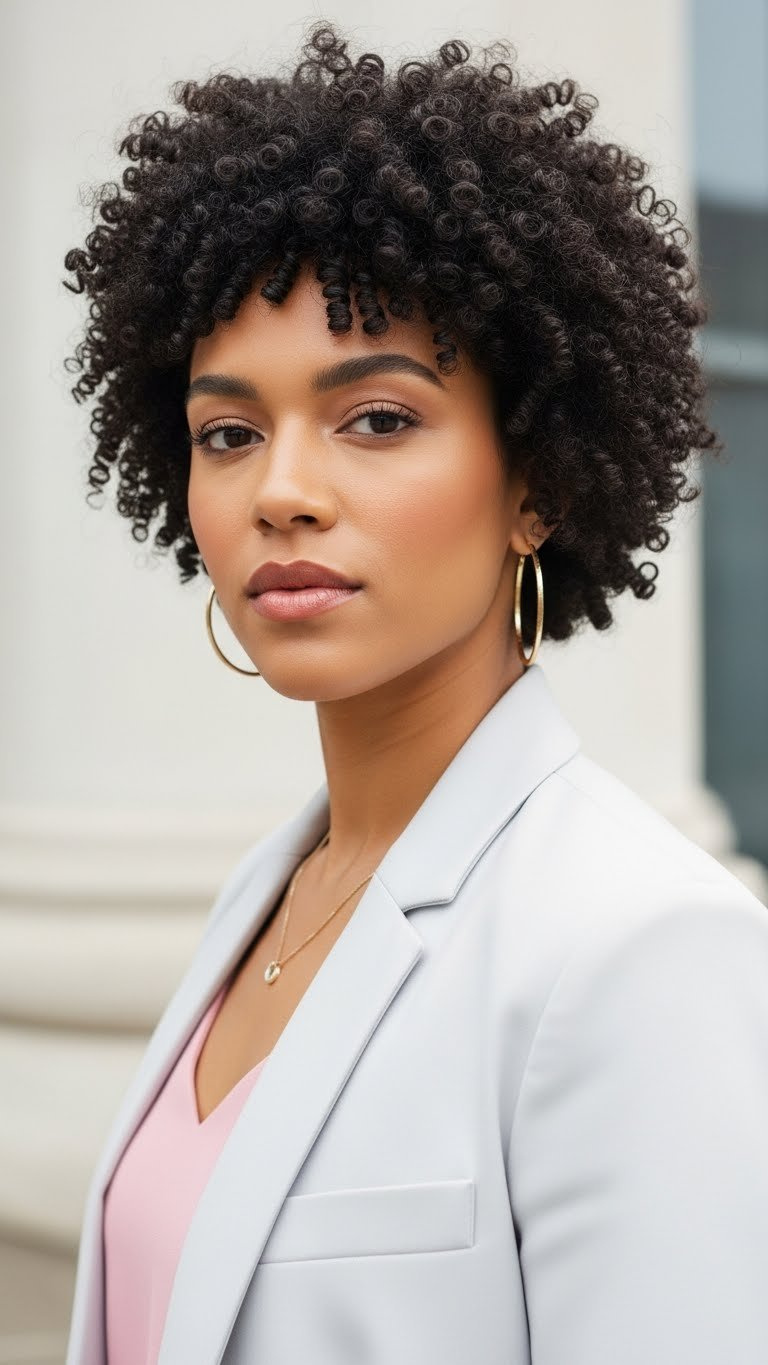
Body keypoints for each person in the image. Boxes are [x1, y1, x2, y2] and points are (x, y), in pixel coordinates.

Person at [62, 22, 768, 1365]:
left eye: (376, 417)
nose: (281, 490)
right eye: (228, 432)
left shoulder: (637, 948)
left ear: (538, 483)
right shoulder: (264, 899)